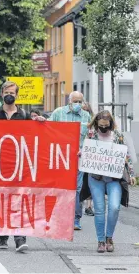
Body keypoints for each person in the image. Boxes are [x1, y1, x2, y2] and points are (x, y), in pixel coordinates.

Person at [0, 81, 45, 253]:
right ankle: (2, 237)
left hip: (19, 164)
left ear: (17, 95)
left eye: (13, 92)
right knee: (1, 201)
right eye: (7, 92)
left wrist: (42, 123)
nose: (10, 95)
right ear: (2, 94)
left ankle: (20, 238)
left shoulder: (24, 115)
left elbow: (35, 135)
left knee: (19, 200)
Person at [80, 110, 136, 253]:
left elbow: (126, 155)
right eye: (101, 126)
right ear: (96, 123)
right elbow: (85, 150)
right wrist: (82, 153)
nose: (103, 128)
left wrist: (131, 174)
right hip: (96, 177)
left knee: (114, 207)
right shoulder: (92, 134)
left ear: (110, 124)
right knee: (99, 209)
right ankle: (100, 241)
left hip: (113, 178)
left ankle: (109, 237)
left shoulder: (117, 135)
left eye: (106, 125)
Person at [49, 91, 91, 231]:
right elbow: (47, 130)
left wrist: (84, 150)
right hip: (61, 158)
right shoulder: (58, 113)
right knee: (61, 187)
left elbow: (88, 137)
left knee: (77, 188)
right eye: (76, 101)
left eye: (80, 101)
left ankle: (76, 219)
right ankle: (59, 217)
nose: (78, 104)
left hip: (78, 159)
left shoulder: (86, 116)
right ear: (69, 101)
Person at [82, 101, 95, 216]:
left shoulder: (94, 124)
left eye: (86, 110)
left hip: (90, 157)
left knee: (89, 181)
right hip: (79, 155)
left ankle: (89, 206)